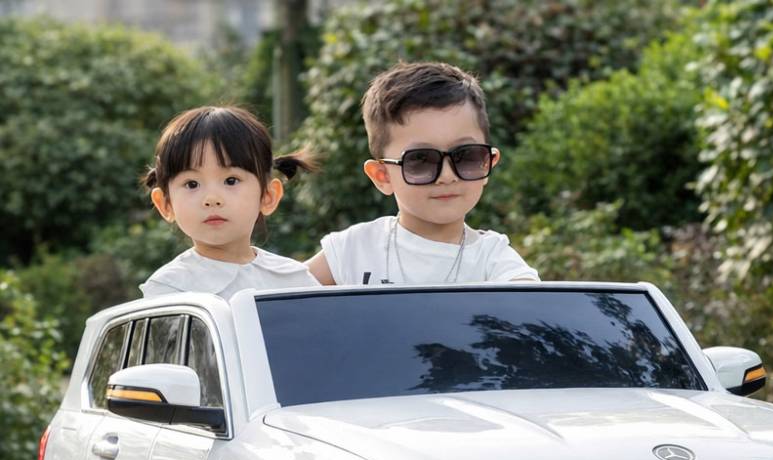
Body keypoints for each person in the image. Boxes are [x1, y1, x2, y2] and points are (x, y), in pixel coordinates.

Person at [306, 62, 539, 286]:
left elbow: (533, 303)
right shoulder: (354, 250)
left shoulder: (494, 259)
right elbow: (287, 294)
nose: (447, 176)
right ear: (382, 176)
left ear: (488, 163)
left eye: (467, 156)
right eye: (420, 160)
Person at [141, 106, 320, 300]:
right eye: (192, 184)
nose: (212, 199)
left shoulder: (295, 280)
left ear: (268, 196)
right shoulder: (169, 289)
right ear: (165, 204)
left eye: (231, 180)